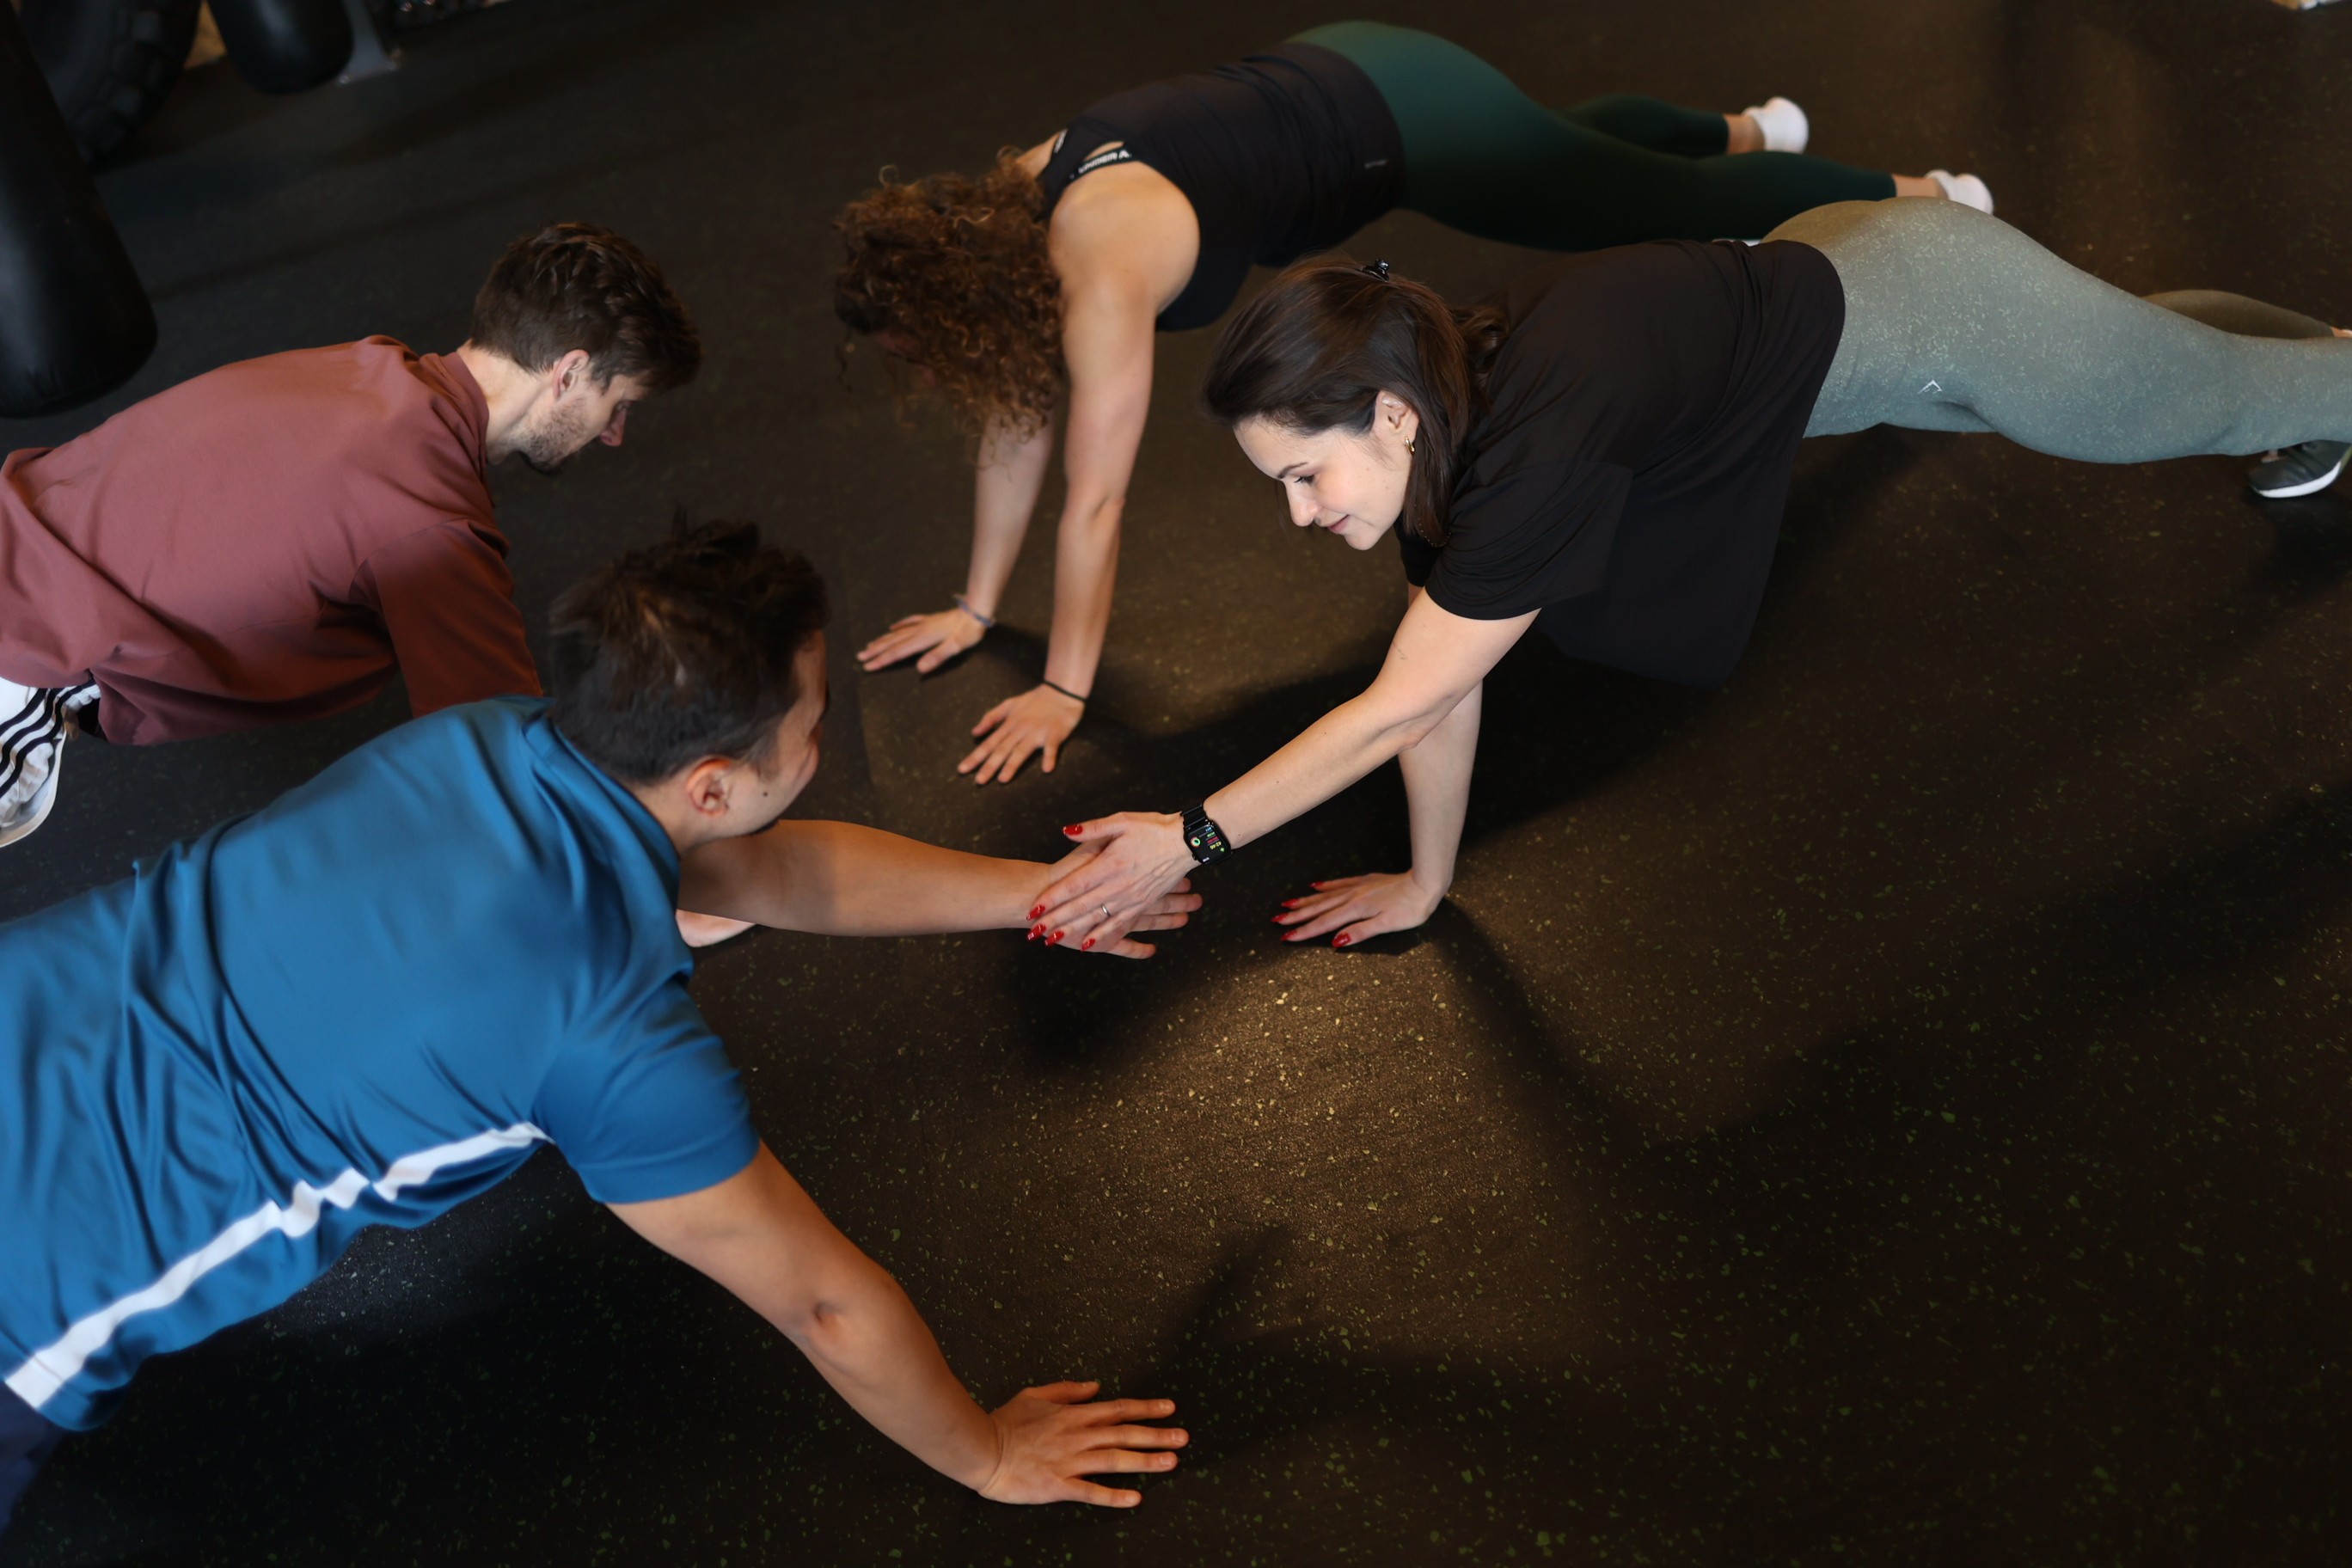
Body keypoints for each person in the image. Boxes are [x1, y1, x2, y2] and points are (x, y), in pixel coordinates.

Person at [0, 522, 1202, 1537]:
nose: (824, 740)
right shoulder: (613, 1039)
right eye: (815, 721)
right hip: (34, 1286)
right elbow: (823, 1305)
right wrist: (987, 1454)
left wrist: (1043, 898)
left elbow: (767, 875)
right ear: (715, 784)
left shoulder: (485, 739)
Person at [1017, 198, 2352, 952]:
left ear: (1387, 416)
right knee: (2166, 387)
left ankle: (2311, 374)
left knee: (2185, 401)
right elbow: (1433, 682)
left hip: (1940, 311)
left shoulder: (1527, 444)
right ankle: (2296, 372)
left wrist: (1186, 837)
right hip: (1851, 305)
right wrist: (1428, 881)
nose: (1302, 514)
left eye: (1306, 476)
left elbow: (1398, 702)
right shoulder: (1447, 422)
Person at [836, 21, 1993, 785]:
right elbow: (1015, 421)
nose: (933, 374)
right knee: (1576, 165)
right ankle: (1747, 128)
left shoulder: (1100, 273)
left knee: (1645, 201)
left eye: (924, 351)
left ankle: (1918, 199)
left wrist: (1061, 689)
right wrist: (978, 607)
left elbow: (1093, 503)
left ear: (964, 307)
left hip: (1392, 115)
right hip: (1342, 74)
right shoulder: (1013, 204)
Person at [0, 221, 699, 852]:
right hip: (24, 652)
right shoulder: (432, 525)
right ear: (569, 373)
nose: (614, 436)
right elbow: (500, 758)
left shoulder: (369, 366)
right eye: (619, 405)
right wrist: (667, 874)